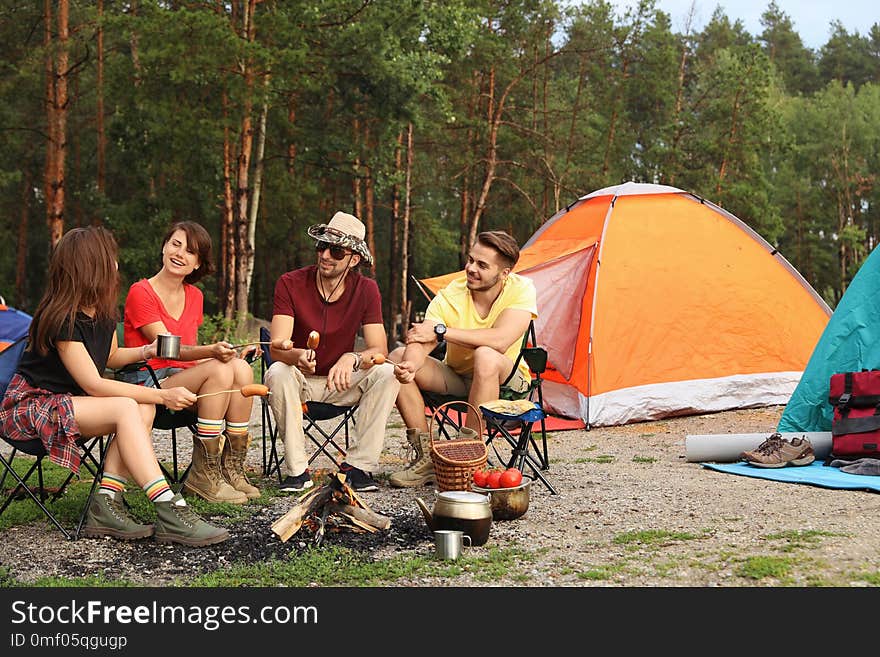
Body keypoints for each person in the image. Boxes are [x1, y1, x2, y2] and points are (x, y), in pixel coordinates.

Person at [0, 226, 228, 546]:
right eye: (111, 259)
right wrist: (163, 393)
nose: (117, 266)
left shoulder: (104, 312)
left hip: (72, 403)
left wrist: (146, 351)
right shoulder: (60, 318)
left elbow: (113, 357)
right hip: (32, 407)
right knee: (127, 404)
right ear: (91, 266)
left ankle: (107, 500)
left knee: (142, 404)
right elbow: (94, 383)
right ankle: (168, 507)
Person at [122, 221, 260, 504]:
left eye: (191, 251)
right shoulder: (141, 291)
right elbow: (167, 349)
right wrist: (211, 352)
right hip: (149, 382)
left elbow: (188, 356)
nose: (180, 254)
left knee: (241, 368)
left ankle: (229, 468)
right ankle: (203, 476)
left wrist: (226, 352)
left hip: (183, 380)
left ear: (197, 264)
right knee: (220, 369)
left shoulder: (195, 296)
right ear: (163, 247)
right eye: (176, 244)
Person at [388, 230, 537, 488]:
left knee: (486, 355)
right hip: (459, 379)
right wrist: (410, 365)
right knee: (397, 356)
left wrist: (443, 332)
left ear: (504, 273)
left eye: (482, 265)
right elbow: (423, 337)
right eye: (470, 260)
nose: (470, 269)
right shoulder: (450, 295)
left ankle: (468, 456)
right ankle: (428, 459)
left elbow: (500, 340)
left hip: (508, 385)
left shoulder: (521, 289)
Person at [264, 211, 400, 493]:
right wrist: (297, 355)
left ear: (354, 259)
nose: (325, 254)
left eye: (336, 250)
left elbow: (380, 350)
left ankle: (359, 468)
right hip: (299, 382)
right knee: (277, 371)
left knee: (387, 372)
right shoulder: (290, 283)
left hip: (340, 383)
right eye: (321, 246)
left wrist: (353, 357)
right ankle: (297, 472)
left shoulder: (366, 289)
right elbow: (278, 347)